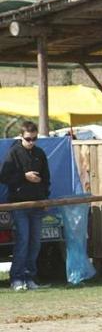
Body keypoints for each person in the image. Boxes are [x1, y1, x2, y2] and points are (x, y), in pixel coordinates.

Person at [0, 121, 50, 291]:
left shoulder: (40, 153)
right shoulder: (13, 153)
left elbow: (46, 179)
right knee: (23, 240)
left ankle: (29, 277)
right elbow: (4, 176)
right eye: (29, 139)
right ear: (21, 136)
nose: (32, 142)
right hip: (19, 204)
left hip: (37, 204)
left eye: (35, 139)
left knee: (35, 242)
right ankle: (16, 278)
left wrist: (45, 199)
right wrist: (24, 176)